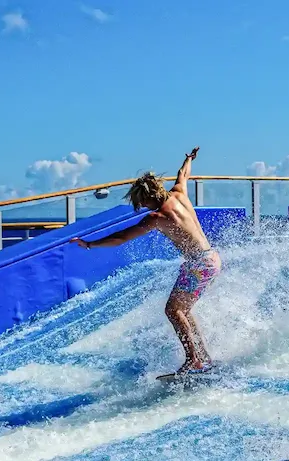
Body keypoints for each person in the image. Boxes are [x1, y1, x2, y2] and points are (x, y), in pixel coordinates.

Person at [69, 147, 222, 374]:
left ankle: (193, 359)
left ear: (150, 197)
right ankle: (203, 356)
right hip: (211, 259)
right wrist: (189, 159)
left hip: (199, 264)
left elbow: (121, 237)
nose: (142, 207)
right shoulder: (179, 193)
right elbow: (184, 174)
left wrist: (91, 244)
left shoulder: (157, 217)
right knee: (183, 310)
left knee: (173, 310)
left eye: (142, 202)